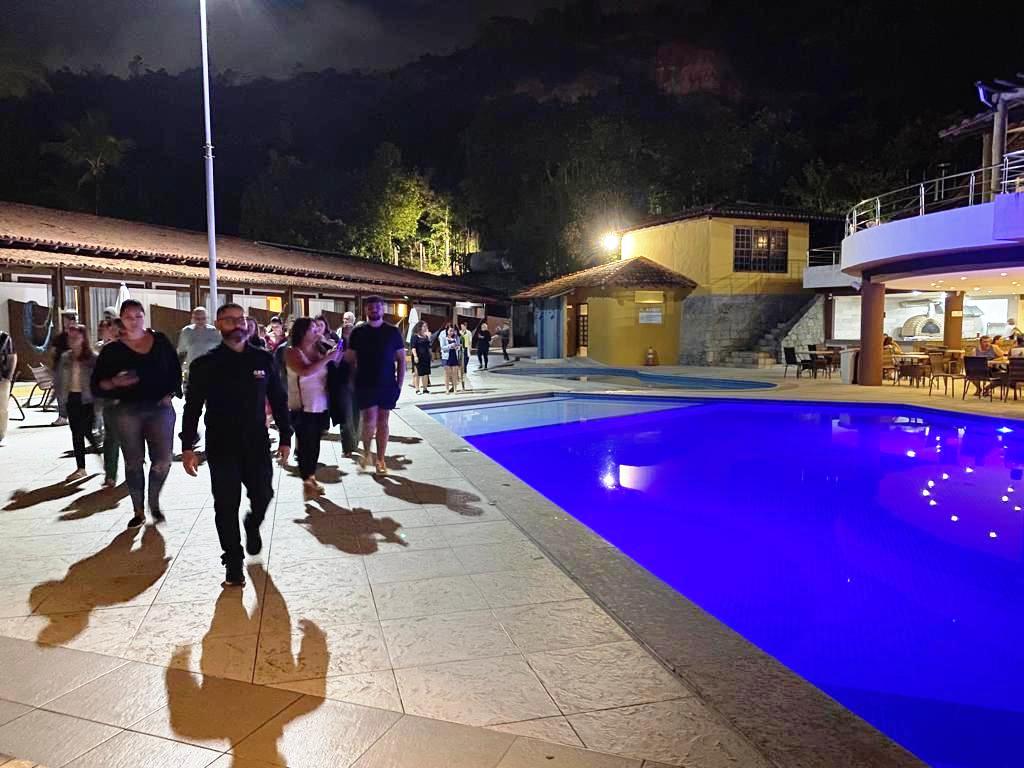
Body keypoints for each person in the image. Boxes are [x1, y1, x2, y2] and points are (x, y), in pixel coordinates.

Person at [181, 303, 292, 588]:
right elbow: (192, 408)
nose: (238, 324)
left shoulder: (263, 359)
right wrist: (187, 446)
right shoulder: (205, 365)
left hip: (256, 442)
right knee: (226, 505)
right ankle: (233, 561)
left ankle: (252, 524)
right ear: (218, 325)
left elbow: (278, 399)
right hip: (221, 445)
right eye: (230, 320)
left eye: (241, 319)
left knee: (264, 493)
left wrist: (286, 436)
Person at [92, 300, 181, 528]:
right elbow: (97, 385)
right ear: (121, 319)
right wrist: (115, 382)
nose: (134, 321)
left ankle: (154, 501)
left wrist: (171, 393)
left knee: (163, 460)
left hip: (159, 407)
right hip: (127, 410)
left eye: (138, 316)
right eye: (129, 317)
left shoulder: (159, 341)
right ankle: (138, 510)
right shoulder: (112, 350)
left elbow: (174, 368)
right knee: (133, 462)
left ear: (144, 317)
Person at [345, 296, 406, 474]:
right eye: (371, 307)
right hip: (364, 383)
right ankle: (366, 453)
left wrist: (399, 385)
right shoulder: (358, 332)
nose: (374, 310)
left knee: (383, 421)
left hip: (387, 384)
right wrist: (351, 383)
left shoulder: (392, 332)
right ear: (366, 310)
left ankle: (380, 459)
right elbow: (350, 360)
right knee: (369, 421)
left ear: (383, 309)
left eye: (378, 307)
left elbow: (401, 360)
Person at [285, 317, 340, 499]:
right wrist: (328, 358)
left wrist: (333, 351)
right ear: (302, 332)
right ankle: (307, 482)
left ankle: (311, 479)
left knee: (315, 444)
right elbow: (305, 371)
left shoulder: (319, 348)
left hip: (321, 405)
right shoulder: (292, 352)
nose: (317, 332)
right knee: (305, 447)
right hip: (303, 407)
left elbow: (335, 364)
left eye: (318, 328)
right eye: (313, 329)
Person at [55, 324, 101, 480]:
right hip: (72, 398)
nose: (72, 340)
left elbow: (99, 380)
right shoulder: (65, 357)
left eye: (76, 336)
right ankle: (81, 468)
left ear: (83, 338)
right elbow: (60, 379)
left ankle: (102, 457)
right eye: (70, 337)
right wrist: (60, 399)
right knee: (76, 433)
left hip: (88, 399)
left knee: (86, 431)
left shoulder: (92, 357)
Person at [95, 318, 123, 486]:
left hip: (130, 401)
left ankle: (134, 468)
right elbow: (99, 376)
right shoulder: (106, 350)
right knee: (111, 437)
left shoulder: (133, 348)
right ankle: (110, 474)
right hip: (111, 400)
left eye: (113, 329)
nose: (111, 332)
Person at [177, 307, 221, 387]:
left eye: (203, 318)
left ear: (207, 318)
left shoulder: (214, 332)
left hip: (211, 372)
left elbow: (220, 350)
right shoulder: (186, 331)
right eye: (197, 319)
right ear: (192, 319)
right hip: (192, 372)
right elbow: (181, 352)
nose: (200, 321)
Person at [49, 308, 79, 426]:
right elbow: (53, 351)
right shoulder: (60, 337)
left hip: (73, 369)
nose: (68, 322)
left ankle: (72, 415)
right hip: (60, 368)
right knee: (61, 394)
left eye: (70, 319)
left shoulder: (77, 336)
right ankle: (63, 416)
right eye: (66, 320)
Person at [0, 328, 16, 447]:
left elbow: (12, 357)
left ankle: (2, 435)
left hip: (2, 378)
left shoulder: (4, 338)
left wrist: (8, 377)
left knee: (2, 408)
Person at [410, 321, 433, 394]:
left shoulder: (426, 336)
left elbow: (429, 347)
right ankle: (417, 389)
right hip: (418, 356)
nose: (426, 328)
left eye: (426, 326)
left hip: (426, 356)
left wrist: (431, 355)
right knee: (417, 373)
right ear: (420, 327)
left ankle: (425, 389)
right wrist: (415, 356)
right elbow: (413, 347)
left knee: (425, 373)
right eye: (424, 326)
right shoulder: (415, 336)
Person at [441, 326, 464, 393]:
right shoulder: (444, 338)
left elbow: (459, 346)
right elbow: (442, 347)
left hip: (454, 356)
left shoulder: (456, 338)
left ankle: (455, 389)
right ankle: (447, 389)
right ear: (447, 331)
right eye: (450, 331)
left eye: (452, 331)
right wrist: (450, 345)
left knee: (455, 374)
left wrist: (457, 347)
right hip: (446, 357)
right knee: (447, 374)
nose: (451, 332)